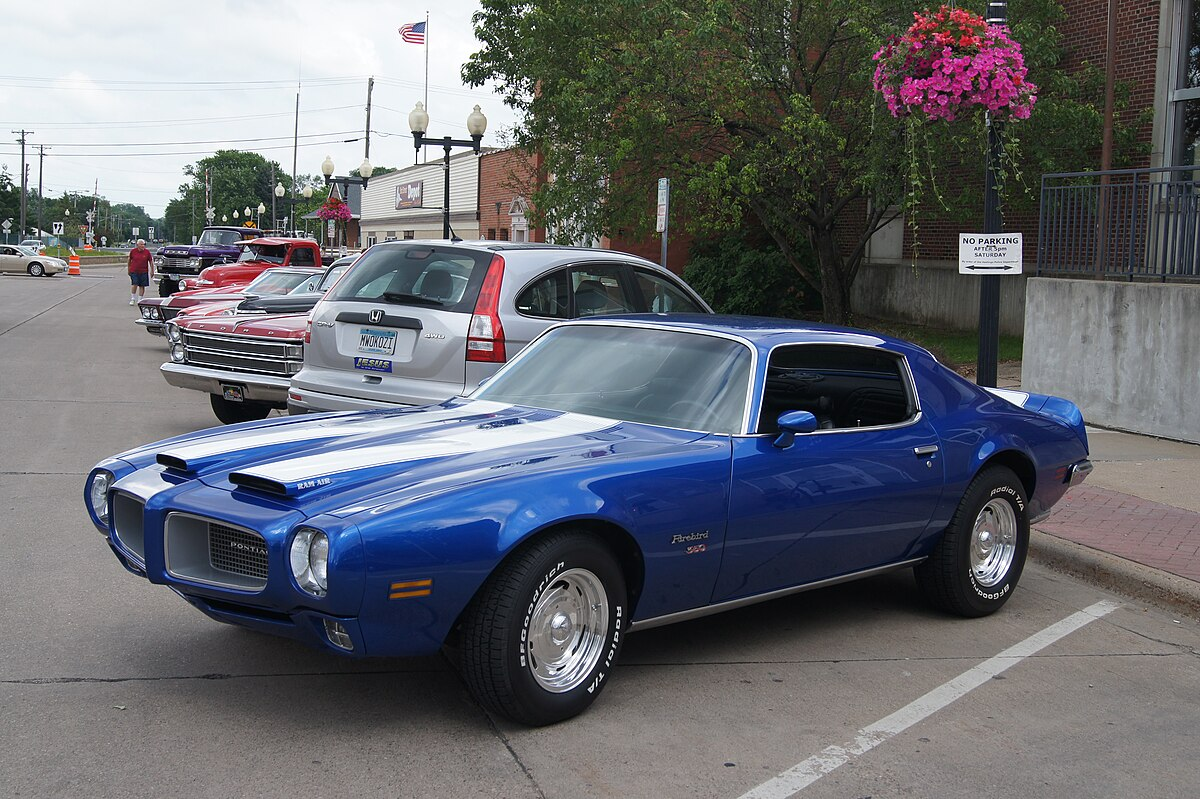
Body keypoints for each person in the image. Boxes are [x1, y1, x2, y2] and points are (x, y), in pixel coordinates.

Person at [127, 239, 154, 304]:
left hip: (143, 271)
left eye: (143, 244)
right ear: (137, 245)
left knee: (142, 286)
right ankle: (133, 298)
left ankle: (140, 299)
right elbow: (129, 260)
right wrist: (129, 269)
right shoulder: (133, 251)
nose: (143, 246)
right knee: (135, 284)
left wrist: (152, 271)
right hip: (134, 271)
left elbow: (151, 261)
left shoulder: (147, 252)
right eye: (141, 244)